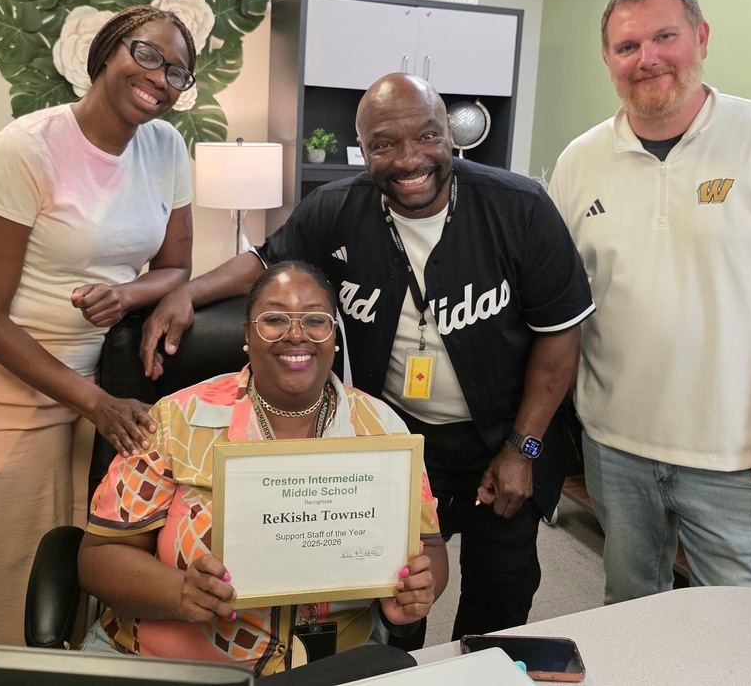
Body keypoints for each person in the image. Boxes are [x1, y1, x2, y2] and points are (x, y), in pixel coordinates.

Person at [139, 73, 595, 642]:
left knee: (500, 596)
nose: (409, 159)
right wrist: (186, 292)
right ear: (362, 149)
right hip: (397, 438)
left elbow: (560, 334)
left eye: (426, 136)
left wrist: (523, 447)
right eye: (384, 144)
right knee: (395, 598)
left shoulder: (520, 207)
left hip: (502, 435)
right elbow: (264, 260)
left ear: (450, 136)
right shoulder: (336, 208)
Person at [548, 0, 751, 603]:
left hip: (738, 454)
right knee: (629, 609)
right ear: (609, 59)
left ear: (702, 38)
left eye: (665, 36)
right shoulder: (580, 161)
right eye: (627, 45)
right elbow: (564, 297)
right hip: (615, 446)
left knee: (737, 630)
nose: (648, 58)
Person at [0, 4, 197, 645]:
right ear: (107, 52)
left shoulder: (166, 147)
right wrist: (95, 403)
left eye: (178, 72)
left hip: (87, 380)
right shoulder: (24, 150)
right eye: (147, 54)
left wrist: (127, 295)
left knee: (73, 543)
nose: (160, 77)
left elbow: (176, 265)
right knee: (1, 565)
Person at [78, 261, 446, 675]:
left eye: (315, 320)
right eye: (274, 319)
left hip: (329, 668)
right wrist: (180, 591)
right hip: (171, 664)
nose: (295, 334)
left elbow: (428, 545)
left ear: (334, 338)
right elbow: (101, 555)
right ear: (247, 336)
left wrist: (416, 588)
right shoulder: (176, 420)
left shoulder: (382, 429)